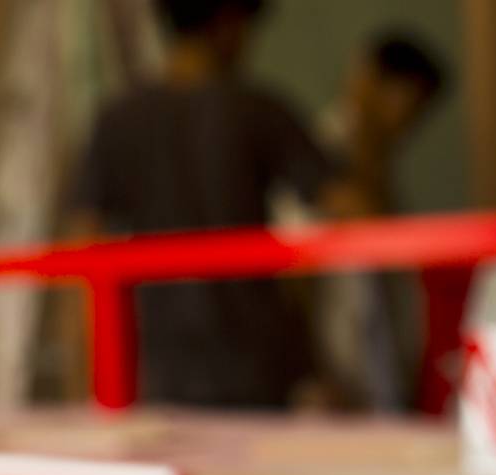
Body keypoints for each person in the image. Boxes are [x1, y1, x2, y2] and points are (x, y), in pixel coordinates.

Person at [70, 0, 341, 408]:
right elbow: (347, 204)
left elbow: (82, 249)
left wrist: (86, 379)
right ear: (229, 24)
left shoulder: (118, 120)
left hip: (158, 365)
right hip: (255, 363)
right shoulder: (257, 110)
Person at [299, 31, 447, 411]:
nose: (403, 118)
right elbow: (294, 277)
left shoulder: (382, 163)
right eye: (400, 98)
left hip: (383, 375)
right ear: (365, 79)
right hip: (337, 378)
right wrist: (311, 372)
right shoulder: (316, 154)